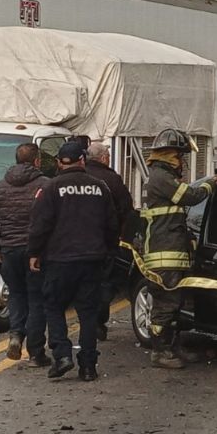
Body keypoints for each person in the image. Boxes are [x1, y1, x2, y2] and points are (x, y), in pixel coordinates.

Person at [28, 142, 119, 382]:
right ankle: (88, 366)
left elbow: (40, 225)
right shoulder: (100, 187)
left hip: (59, 259)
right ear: (82, 160)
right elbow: (112, 224)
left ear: (59, 162)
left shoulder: (51, 188)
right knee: (88, 313)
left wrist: (34, 253)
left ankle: (62, 355)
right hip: (92, 259)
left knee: (54, 306)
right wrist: (109, 252)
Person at [143, 129, 217, 369]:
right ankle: (160, 352)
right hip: (163, 256)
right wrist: (211, 183)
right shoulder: (161, 178)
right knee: (166, 304)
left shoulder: (163, 177)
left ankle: (173, 346)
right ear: (170, 156)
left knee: (176, 304)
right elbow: (190, 196)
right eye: (180, 156)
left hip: (172, 252)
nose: (182, 162)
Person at [0, 143, 51, 366]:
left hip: (9, 250)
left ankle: (16, 335)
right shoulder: (45, 185)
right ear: (37, 161)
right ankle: (37, 352)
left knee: (17, 295)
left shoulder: (0, 187)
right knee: (36, 298)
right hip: (36, 252)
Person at [84, 141, 137, 341]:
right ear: (105, 158)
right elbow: (127, 209)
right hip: (104, 242)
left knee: (82, 283)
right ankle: (97, 322)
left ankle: (87, 321)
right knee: (104, 283)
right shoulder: (112, 180)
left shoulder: (77, 177)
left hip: (74, 242)